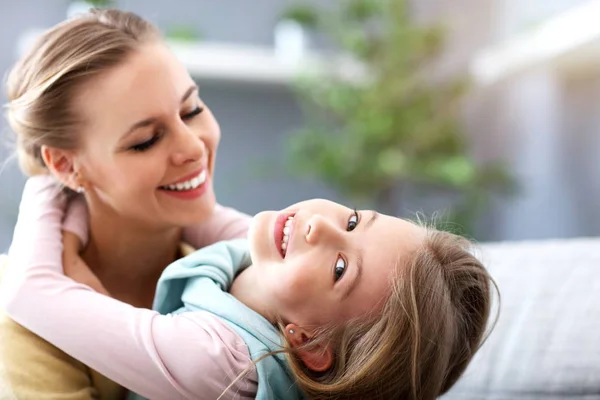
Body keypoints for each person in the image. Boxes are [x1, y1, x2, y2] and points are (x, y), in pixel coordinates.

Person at [2, 176, 497, 400]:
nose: (319, 228)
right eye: (352, 219)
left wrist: (49, 175)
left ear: (309, 343)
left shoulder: (221, 363)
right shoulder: (273, 263)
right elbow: (192, 214)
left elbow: (28, 292)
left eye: (341, 269)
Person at [0, 8, 252, 399]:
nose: (192, 147)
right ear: (66, 166)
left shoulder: (234, 277)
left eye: (192, 110)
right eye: (146, 140)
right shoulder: (19, 318)